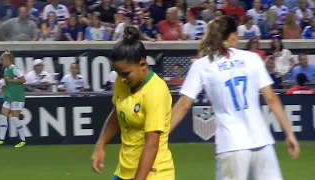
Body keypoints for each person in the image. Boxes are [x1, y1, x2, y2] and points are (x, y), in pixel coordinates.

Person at [170, 16, 299, 180]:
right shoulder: (252, 58)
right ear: (231, 36)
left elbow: (183, 106)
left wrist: (162, 135)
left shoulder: (202, 65)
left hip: (231, 144)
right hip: (262, 142)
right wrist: (289, 134)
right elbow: (271, 98)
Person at [91, 26, 175, 180]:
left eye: (125, 74)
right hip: (124, 172)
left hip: (153, 174)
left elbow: (152, 143)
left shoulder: (155, 91)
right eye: (118, 73)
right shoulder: (122, 81)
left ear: (143, 65)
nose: (121, 79)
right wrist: (101, 144)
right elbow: (116, 115)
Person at [0, 50, 27, 148]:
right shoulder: (6, 70)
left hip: (17, 97)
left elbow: (23, 80)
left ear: (8, 59)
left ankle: (23, 139)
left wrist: (11, 81)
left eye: (2, 59)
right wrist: (5, 86)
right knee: (3, 117)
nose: (1, 61)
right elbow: (10, 83)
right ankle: (1, 139)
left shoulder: (14, 69)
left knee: (14, 119)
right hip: (9, 96)